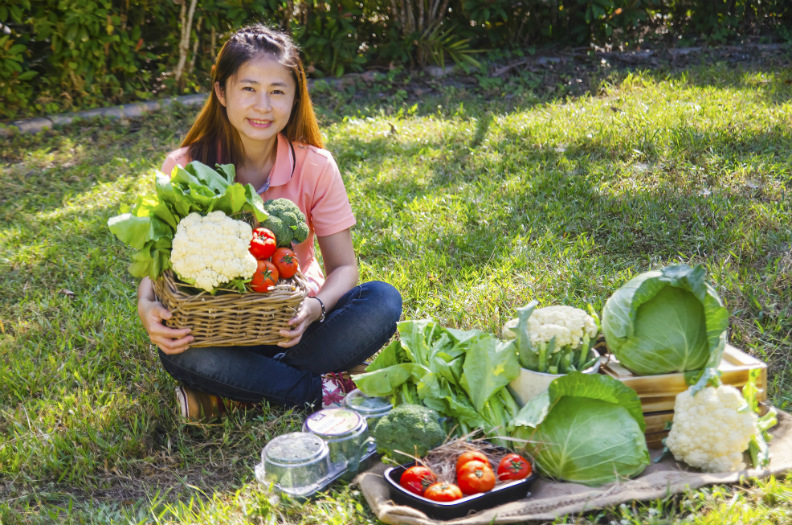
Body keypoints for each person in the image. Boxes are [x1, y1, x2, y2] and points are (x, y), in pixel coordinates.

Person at [136, 24, 402, 420]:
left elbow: (345, 267)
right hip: (218, 326)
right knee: (181, 353)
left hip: (297, 325)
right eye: (249, 88)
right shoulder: (184, 167)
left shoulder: (316, 166)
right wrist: (146, 305)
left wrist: (314, 307)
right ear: (221, 92)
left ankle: (236, 393)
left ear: (295, 98)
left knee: (382, 299)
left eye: (277, 91)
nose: (263, 105)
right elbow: (158, 259)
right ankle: (322, 388)